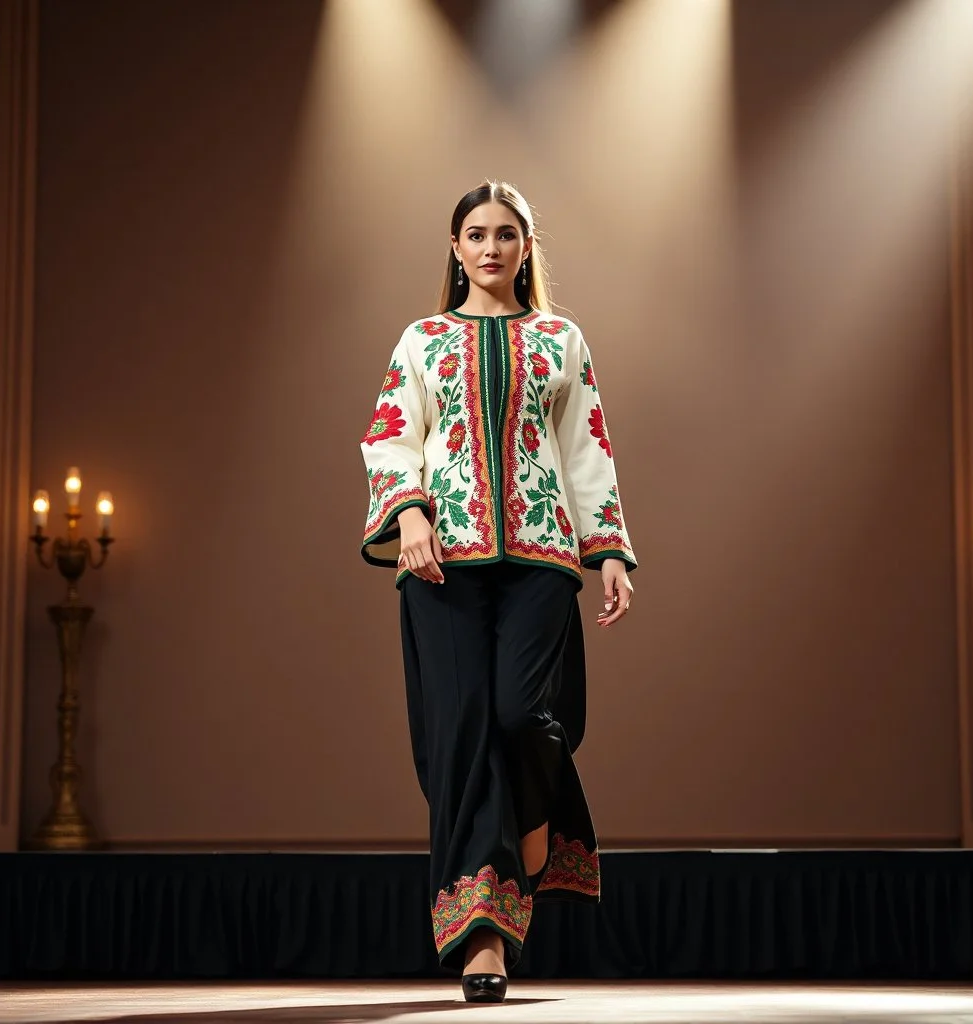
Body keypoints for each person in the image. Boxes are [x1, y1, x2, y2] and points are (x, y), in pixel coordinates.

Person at [359, 180, 636, 1003]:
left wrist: (610, 550)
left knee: (519, 715)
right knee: (460, 732)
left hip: (542, 557)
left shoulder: (560, 339)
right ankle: (485, 938)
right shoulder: (423, 341)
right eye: (475, 234)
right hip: (441, 561)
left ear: (525, 249)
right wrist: (409, 513)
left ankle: (545, 823)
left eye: (506, 234)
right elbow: (388, 436)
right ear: (455, 248)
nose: (490, 247)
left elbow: (587, 446)